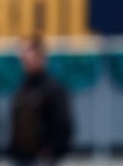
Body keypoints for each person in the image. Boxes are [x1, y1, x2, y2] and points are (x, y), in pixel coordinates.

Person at [8, 38, 73, 166]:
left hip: (42, 159)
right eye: (23, 57)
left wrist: (52, 152)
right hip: (21, 157)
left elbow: (63, 125)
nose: (25, 60)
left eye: (29, 55)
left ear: (41, 57)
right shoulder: (22, 88)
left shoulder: (53, 88)